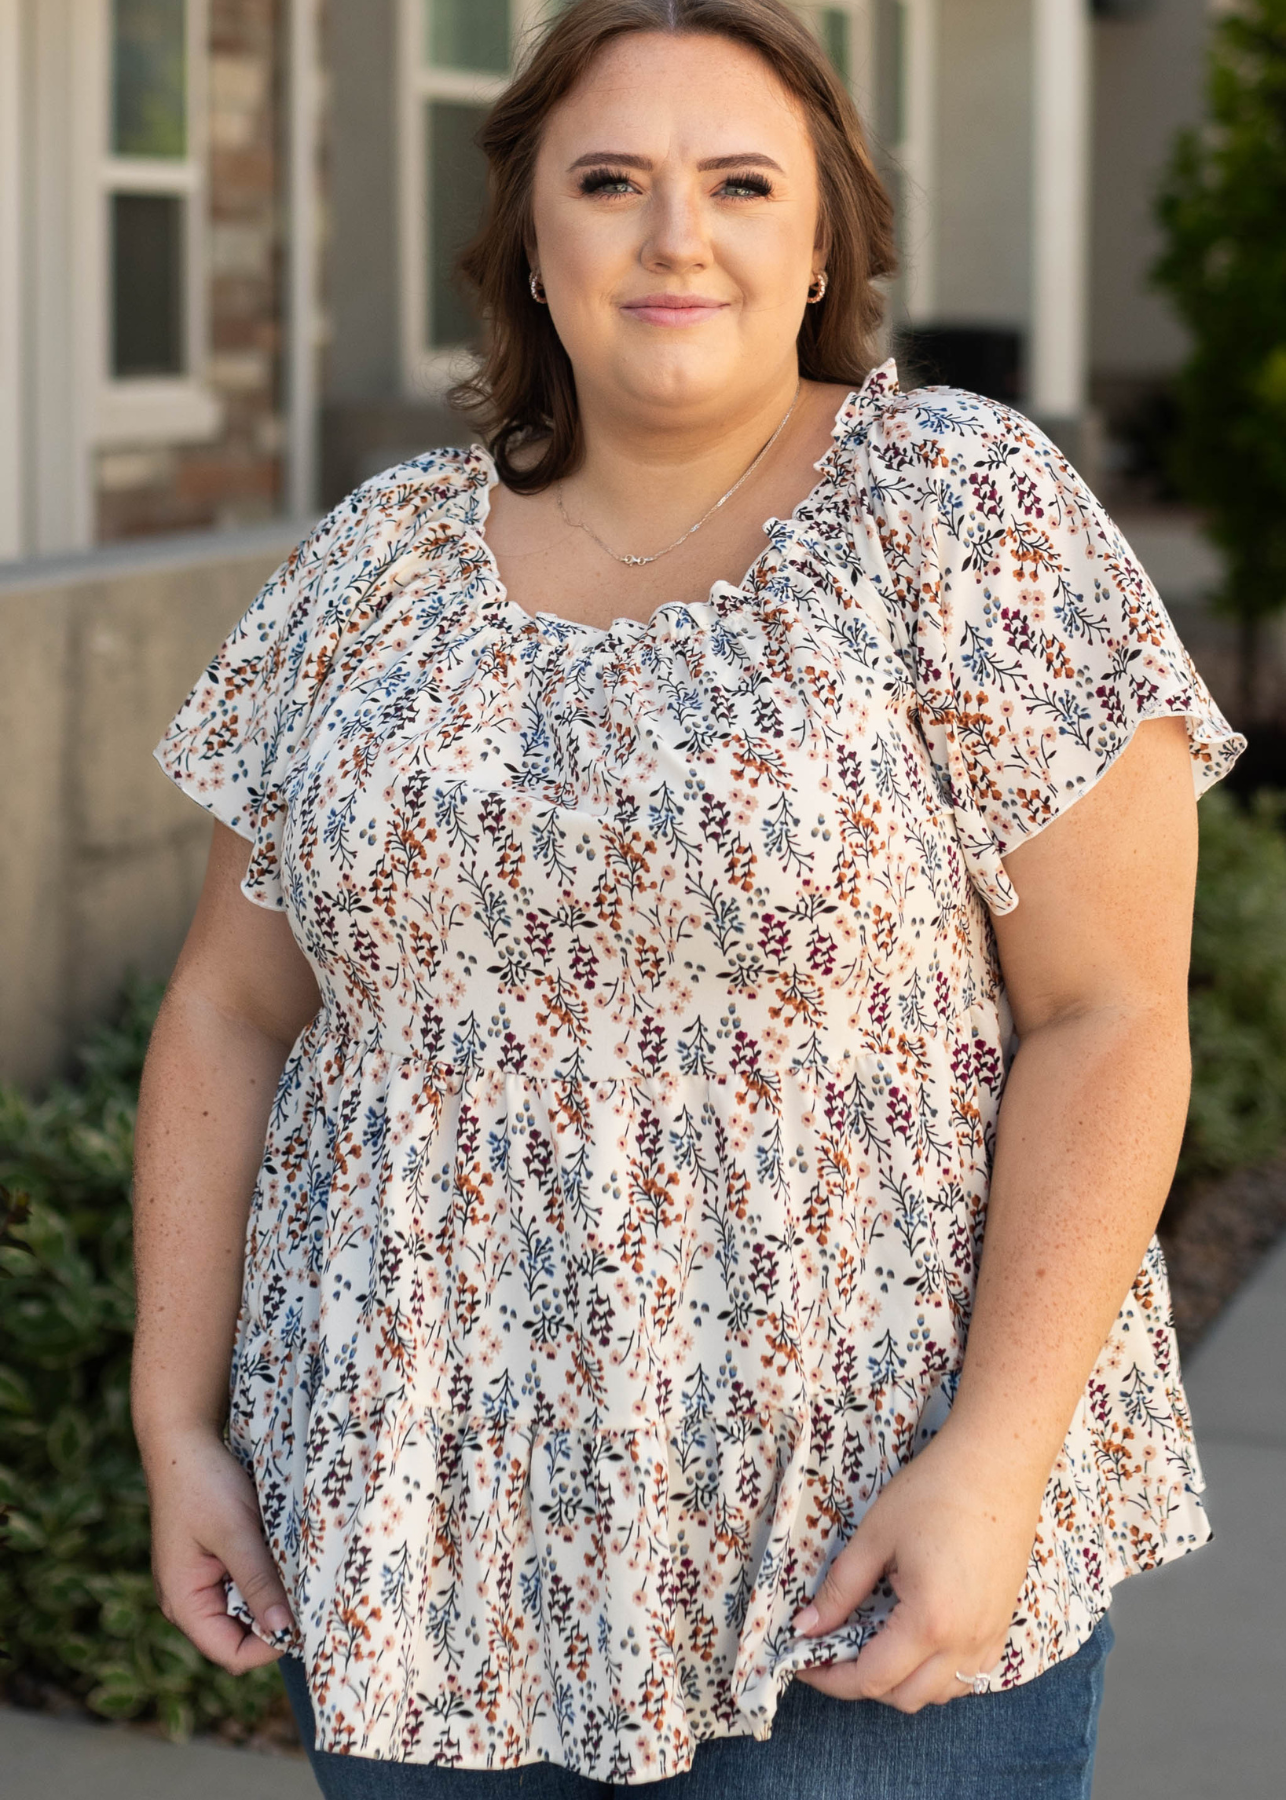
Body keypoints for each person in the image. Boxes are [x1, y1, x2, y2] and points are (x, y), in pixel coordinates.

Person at [131, 2, 1244, 1795]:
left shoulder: (958, 511)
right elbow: (229, 1006)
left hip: (857, 1537)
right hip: (411, 1527)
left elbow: (1106, 1014)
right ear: (527, 241)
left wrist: (996, 1463)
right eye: (609, 181)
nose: (674, 235)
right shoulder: (372, 559)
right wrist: (177, 1427)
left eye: (739, 182)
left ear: (820, 242)